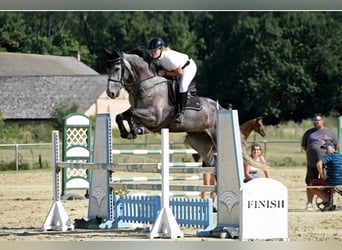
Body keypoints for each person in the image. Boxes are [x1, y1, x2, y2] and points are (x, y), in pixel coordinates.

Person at [148, 37, 197, 123]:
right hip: (175, 69)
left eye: (154, 51)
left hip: (188, 68)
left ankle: (181, 113)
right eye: (151, 51)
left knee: (182, 86)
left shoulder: (168, 58)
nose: (152, 53)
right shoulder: (157, 57)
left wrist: (165, 73)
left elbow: (179, 72)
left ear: (161, 49)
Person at [301, 113, 339, 210]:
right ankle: (309, 203)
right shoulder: (308, 133)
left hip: (326, 164)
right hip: (312, 163)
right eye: (314, 120)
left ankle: (327, 201)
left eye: (318, 120)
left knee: (326, 183)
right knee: (310, 183)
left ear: (322, 121)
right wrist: (313, 153)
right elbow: (304, 147)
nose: (316, 122)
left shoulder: (330, 132)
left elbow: (335, 147)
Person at [310, 141, 342, 211]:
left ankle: (327, 200)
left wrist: (322, 175)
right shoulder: (340, 156)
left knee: (312, 185)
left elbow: (319, 164)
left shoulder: (330, 155)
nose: (325, 150)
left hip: (333, 182)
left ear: (333, 148)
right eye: (324, 149)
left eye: (326, 148)